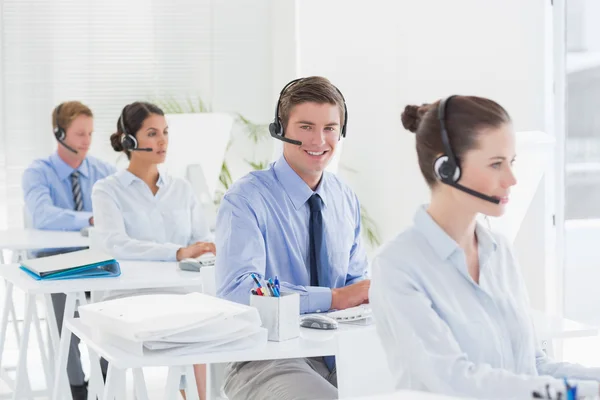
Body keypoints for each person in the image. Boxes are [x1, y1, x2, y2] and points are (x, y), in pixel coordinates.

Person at [370, 95, 600, 399]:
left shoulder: (499, 252)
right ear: (446, 169)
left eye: (512, 162)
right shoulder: (398, 266)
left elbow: (531, 368)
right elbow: (455, 380)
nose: (512, 179)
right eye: (496, 165)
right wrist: (579, 393)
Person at [215, 76, 370, 400]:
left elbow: (357, 284)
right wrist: (333, 298)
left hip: (339, 353)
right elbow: (237, 291)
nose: (319, 139)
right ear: (280, 128)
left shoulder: (344, 197)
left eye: (330, 128)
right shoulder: (246, 198)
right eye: (305, 126)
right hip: (269, 359)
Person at [91, 101, 214, 400]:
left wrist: (204, 250)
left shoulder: (181, 188)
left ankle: (200, 396)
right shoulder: (107, 190)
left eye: (165, 133)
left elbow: (200, 238)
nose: (162, 141)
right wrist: (177, 252)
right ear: (129, 141)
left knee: (208, 323)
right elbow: (115, 244)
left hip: (179, 291)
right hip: (130, 295)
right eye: (152, 133)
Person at [21, 101, 115, 400]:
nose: (87, 141)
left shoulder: (102, 170)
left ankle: (105, 377)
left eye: (89, 133)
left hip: (97, 258)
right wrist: (89, 218)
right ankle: (78, 388)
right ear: (59, 133)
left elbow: (121, 204)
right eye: (79, 134)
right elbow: (43, 215)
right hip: (55, 259)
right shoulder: (38, 172)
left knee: (116, 310)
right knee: (66, 322)